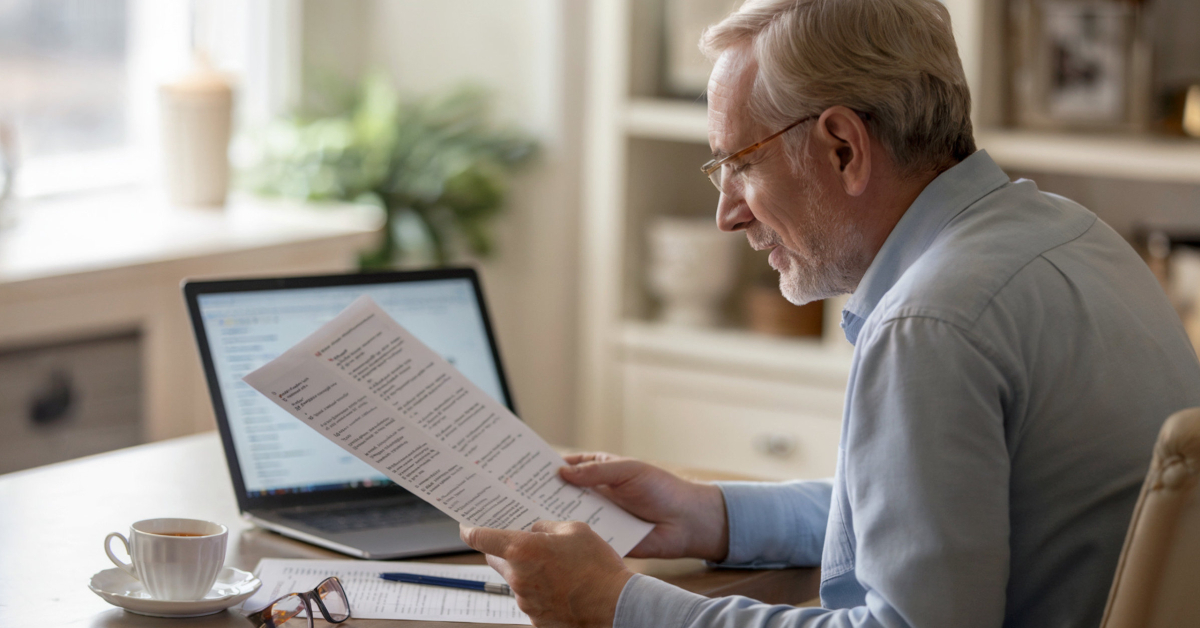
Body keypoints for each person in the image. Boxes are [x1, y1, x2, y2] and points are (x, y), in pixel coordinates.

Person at [460, 0, 1200, 626]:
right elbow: (949, 521)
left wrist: (616, 602)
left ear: (843, 146)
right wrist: (710, 516)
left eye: (740, 164)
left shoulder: (931, 323)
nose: (726, 215)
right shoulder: (1074, 236)